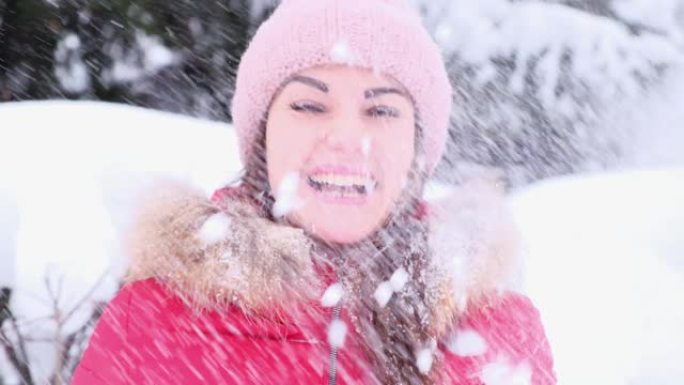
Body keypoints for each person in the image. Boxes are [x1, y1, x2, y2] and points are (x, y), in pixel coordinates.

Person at [72, 0, 556, 384]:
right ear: (261, 137)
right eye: (308, 104)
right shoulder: (154, 320)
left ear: (417, 147)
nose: (347, 137)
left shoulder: (500, 330)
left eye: (382, 110)